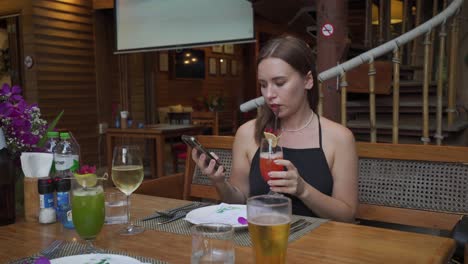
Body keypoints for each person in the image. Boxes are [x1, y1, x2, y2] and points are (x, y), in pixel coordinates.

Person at [192, 35, 358, 222]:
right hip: (264, 236)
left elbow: (346, 215)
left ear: (308, 81)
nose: (269, 94)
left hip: (318, 244)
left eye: (279, 83)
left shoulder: (338, 138)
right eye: (263, 85)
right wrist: (219, 182)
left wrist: (303, 190)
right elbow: (237, 201)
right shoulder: (248, 133)